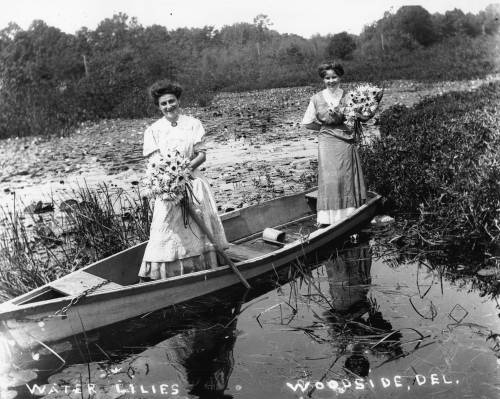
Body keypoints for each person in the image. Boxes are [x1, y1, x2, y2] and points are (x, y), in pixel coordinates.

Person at [139, 80, 229, 280]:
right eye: (164, 104)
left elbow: (201, 155)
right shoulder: (153, 130)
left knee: (199, 228)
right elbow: (154, 163)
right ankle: (167, 274)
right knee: (167, 228)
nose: (168, 106)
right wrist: (170, 180)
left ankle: (205, 268)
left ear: (178, 101)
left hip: (193, 183)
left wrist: (182, 172)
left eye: (172, 101)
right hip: (168, 189)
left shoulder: (193, 124)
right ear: (158, 106)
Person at [302, 62, 369, 225]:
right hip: (327, 141)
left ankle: (347, 214)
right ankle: (327, 218)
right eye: (327, 78)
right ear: (323, 79)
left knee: (344, 176)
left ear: (340, 77)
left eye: (334, 77)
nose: (331, 81)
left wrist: (362, 115)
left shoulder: (349, 96)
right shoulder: (316, 98)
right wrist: (325, 128)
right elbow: (307, 122)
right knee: (329, 177)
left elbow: (363, 116)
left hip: (345, 140)